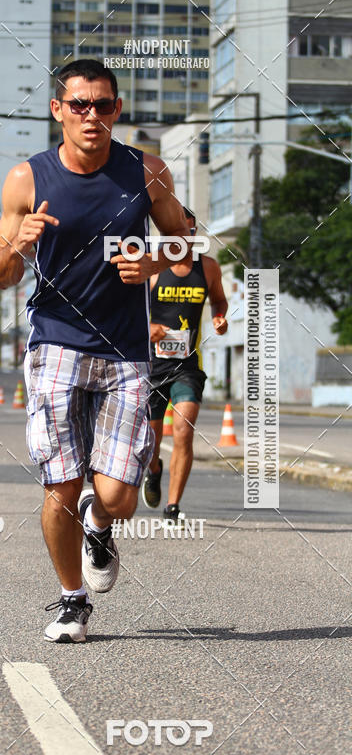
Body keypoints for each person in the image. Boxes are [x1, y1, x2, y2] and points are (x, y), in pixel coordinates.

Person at [0, 58, 189, 643]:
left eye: (103, 105)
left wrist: (157, 261)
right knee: (60, 485)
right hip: (55, 343)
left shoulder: (147, 172)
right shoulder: (27, 180)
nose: (92, 116)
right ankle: (71, 600)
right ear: (59, 110)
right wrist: (18, 247)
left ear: (116, 110)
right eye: (80, 105)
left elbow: (183, 241)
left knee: (118, 498)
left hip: (126, 351)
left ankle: (101, 526)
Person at [141, 207, 228, 520]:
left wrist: (220, 317)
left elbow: (219, 299)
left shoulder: (209, 268)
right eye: (173, 232)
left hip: (187, 366)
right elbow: (126, 312)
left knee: (183, 430)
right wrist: (147, 328)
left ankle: (173, 506)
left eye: (188, 232)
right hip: (151, 366)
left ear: (194, 234)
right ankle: (154, 470)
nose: (181, 237)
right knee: (150, 441)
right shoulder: (150, 270)